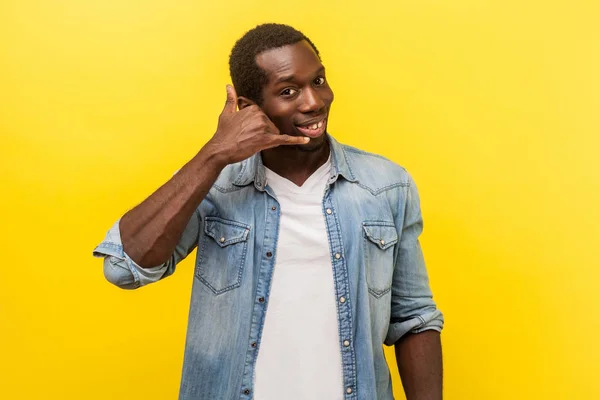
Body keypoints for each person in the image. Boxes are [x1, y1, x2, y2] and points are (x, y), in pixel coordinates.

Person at [93, 23, 444, 400]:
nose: (313, 102)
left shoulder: (386, 186)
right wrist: (215, 153)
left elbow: (413, 319)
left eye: (319, 80)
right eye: (288, 91)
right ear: (249, 108)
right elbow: (123, 268)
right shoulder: (214, 182)